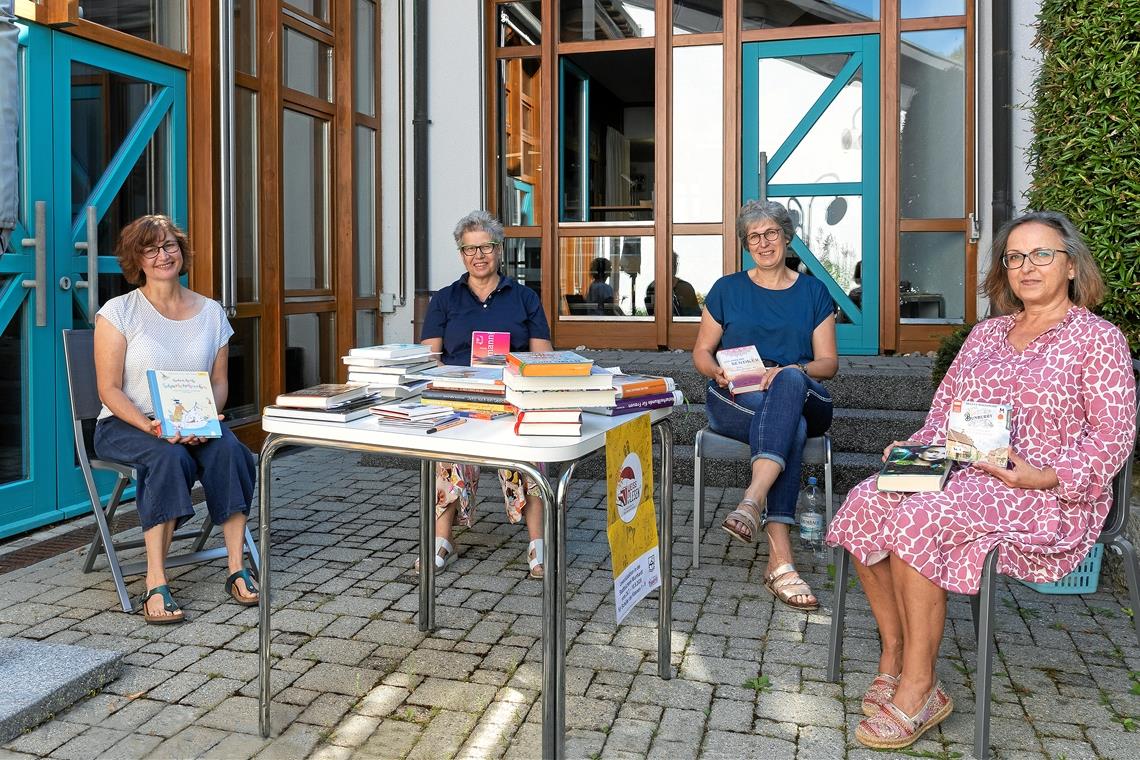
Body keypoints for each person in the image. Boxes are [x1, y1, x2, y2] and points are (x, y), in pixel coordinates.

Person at [826, 210, 1137, 750]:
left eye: (1042, 254)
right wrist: (913, 449)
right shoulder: (987, 335)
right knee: (867, 499)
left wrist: (1043, 475)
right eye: (1015, 257)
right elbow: (944, 414)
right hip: (964, 469)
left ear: (1070, 266)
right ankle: (896, 654)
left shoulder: (1098, 340)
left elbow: (1114, 439)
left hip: (1045, 493)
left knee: (920, 517)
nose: (1027, 266)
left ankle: (923, 688)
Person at [93, 215, 258, 624]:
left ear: (181, 252)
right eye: (151, 249)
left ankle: (237, 568)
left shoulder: (211, 312)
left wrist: (207, 418)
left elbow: (219, 383)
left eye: (169, 246)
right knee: (169, 459)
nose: (163, 255)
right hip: (128, 424)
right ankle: (155, 581)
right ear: (138, 259)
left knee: (231, 452)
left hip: (192, 421)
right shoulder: (118, 312)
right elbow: (109, 390)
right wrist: (153, 427)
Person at [691, 200, 838, 611]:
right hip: (737, 393)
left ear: (787, 236)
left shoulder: (813, 291)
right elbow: (702, 352)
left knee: (790, 381)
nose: (763, 242)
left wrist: (792, 368)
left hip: (803, 392)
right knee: (788, 428)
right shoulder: (727, 289)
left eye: (771, 233)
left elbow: (827, 363)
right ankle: (781, 563)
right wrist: (716, 370)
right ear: (745, 244)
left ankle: (752, 499)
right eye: (754, 236)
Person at [419, 210, 553, 577]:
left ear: (500, 249)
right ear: (461, 254)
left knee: (527, 449)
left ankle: (537, 543)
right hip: (459, 398)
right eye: (469, 249)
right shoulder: (445, 300)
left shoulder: (524, 298)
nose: (478, 256)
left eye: (486, 247)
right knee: (447, 448)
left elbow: (542, 357)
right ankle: (442, 540)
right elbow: (429, 358)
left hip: (511, 397)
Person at [646, 252, 701, 317]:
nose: (671, 267)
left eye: (673, 263)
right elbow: (653, 316)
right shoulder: (652, 288)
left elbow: (694, 317)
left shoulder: (686, 288)